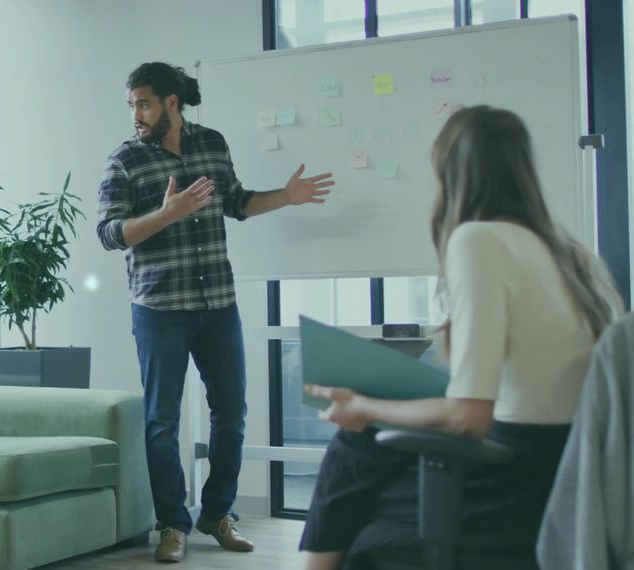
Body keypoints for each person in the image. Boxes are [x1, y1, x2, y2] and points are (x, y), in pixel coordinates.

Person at [299, 106, 625, 569]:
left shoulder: (478, 241)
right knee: (361, 442)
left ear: (449, 173)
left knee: (355, 444)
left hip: (514, 478)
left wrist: (363, 406)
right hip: (571, 468)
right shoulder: (569, 252)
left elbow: (469, 417)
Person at [96, 61, 335, 563]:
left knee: (232, 415)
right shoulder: (125, 161)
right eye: (132, 105)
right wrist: (166, 214)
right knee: (162, 422)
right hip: (159, 308)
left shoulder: (212, 144)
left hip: (217, 304)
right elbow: (109, 233)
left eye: (144, 103)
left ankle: (217, 513)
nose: (136, 115)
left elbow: (238, 202)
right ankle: (171, 525)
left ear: (172, 104)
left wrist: (286, 198)